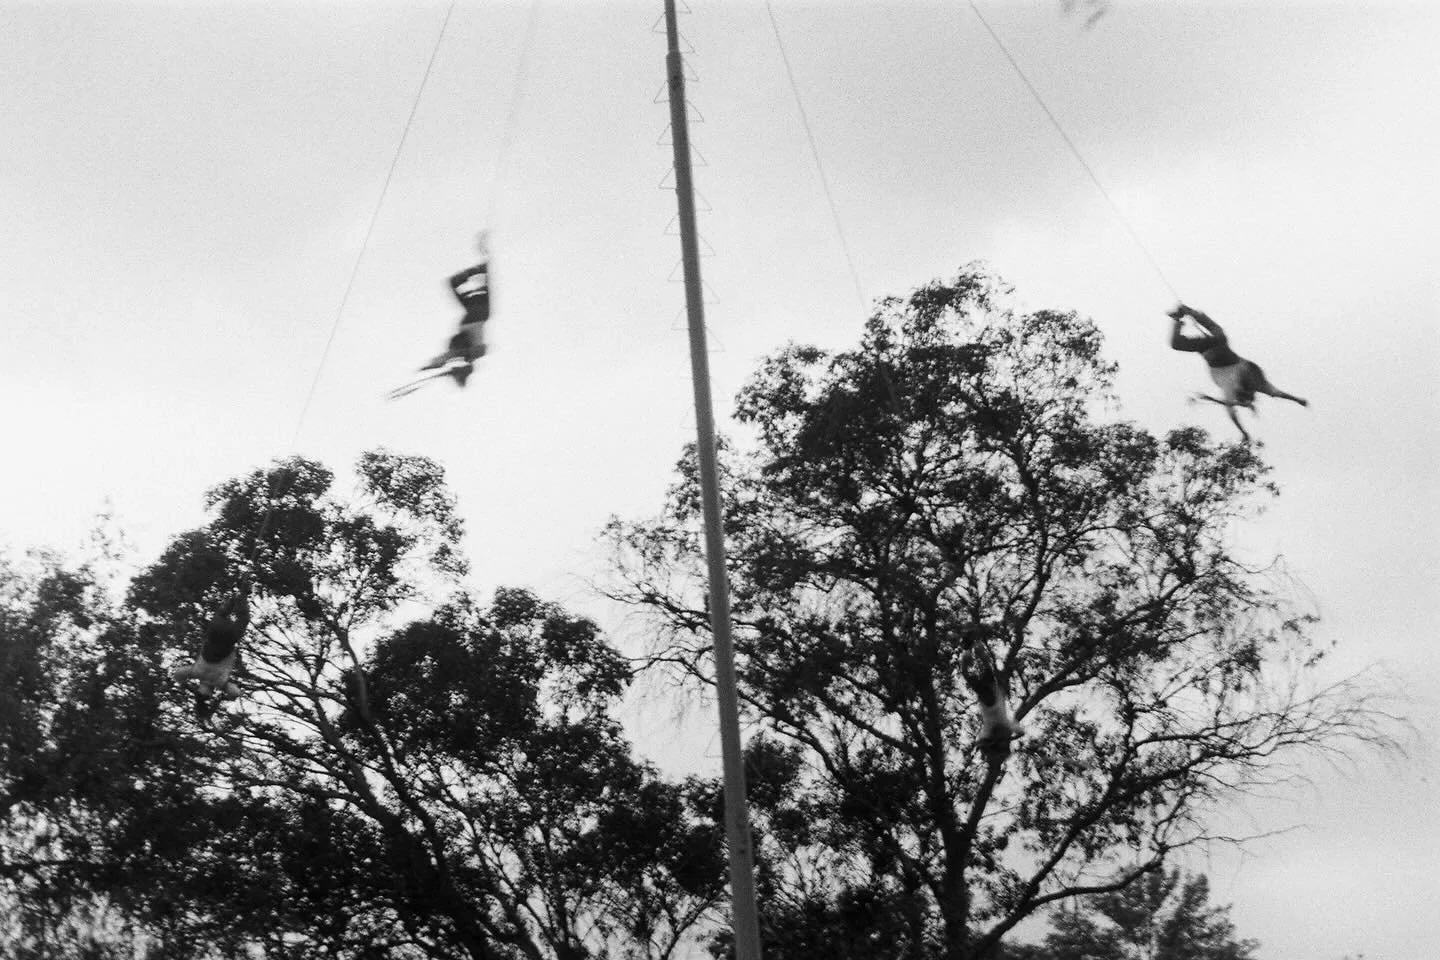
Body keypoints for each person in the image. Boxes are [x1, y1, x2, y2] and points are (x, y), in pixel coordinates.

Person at [1167, 303, 1307, 441]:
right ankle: (1180, 316)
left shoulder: (1248, 388)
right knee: (1182, 342)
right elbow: (1234, 414)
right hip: (1212, 351)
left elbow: (1278, 394)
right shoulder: (1238, 389)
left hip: (1216, 345)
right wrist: (1243, 431)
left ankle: (1183, 313)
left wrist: (1298, 400)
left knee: (1215, 331)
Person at [387, 232, 492, 401]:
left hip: (471, 315)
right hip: (478, 315)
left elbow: (443, 360)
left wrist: (429, 367)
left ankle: (479, 267)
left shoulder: (456, 358)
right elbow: (479, 353)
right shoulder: (472, 356)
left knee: (453, 283)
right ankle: (480, 266)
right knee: (457, 282)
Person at [173, 589, 250, 717]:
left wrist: (230, 696)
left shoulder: (219, 682)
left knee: (244, 618)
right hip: (214, 631)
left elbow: (235, 692)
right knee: (221, 613)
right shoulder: (195, 672)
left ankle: (243, 595)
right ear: (198, 689)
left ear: (211, 693)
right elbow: (178, 673)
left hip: (230, 637)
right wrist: (181, 680)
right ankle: (234, 597)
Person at [959, 624, 1022, 764]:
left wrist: (985, 744)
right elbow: (1017, 728)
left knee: (973, 674)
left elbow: (981, 740)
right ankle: (974, 645)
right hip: (991, 690)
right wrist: (1019, 733)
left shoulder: (989, 729)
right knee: (986, 668)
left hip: (985, 694)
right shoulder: (1006, 724)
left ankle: (969, 650)